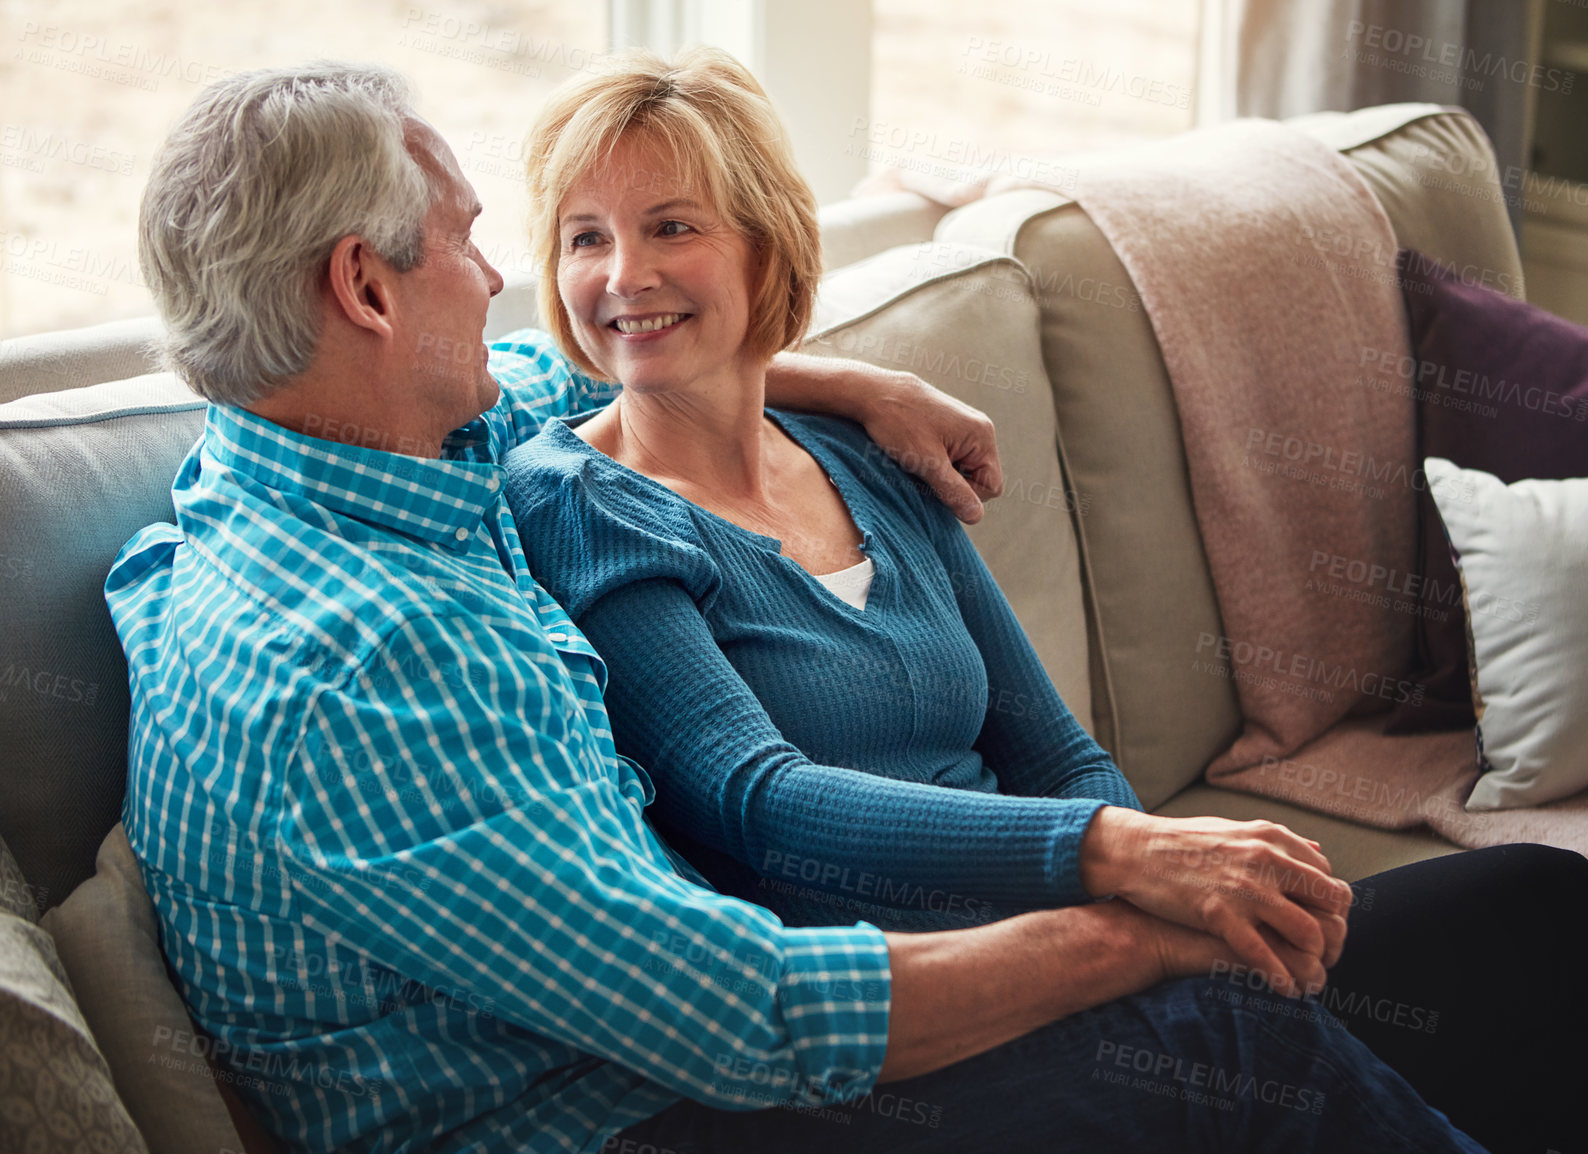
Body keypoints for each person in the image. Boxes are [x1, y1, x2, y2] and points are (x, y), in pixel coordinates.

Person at [107, 62, 1491, 1154]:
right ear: (361, 286)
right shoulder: (370, 668)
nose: (496, 277)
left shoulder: (293, 466)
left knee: (1509, 919)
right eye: (474, 243)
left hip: (717, 1048)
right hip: (632, 1115)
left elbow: (556, 367)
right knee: (1242, 1028)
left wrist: (847, 385)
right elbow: (750, 1011)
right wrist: (1131, 920)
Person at [503, 48, 1588, 1154]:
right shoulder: (582, 498)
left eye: (672, 226)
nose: (624, 276)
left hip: (1074, 925)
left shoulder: (871, 452)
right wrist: (1126, 859)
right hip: (909, 1021)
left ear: (764, 244)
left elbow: (1050, 745)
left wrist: (1166, 875)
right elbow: (756, 798)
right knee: (1248, 1033)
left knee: (1527, 904)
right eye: (583, 238)